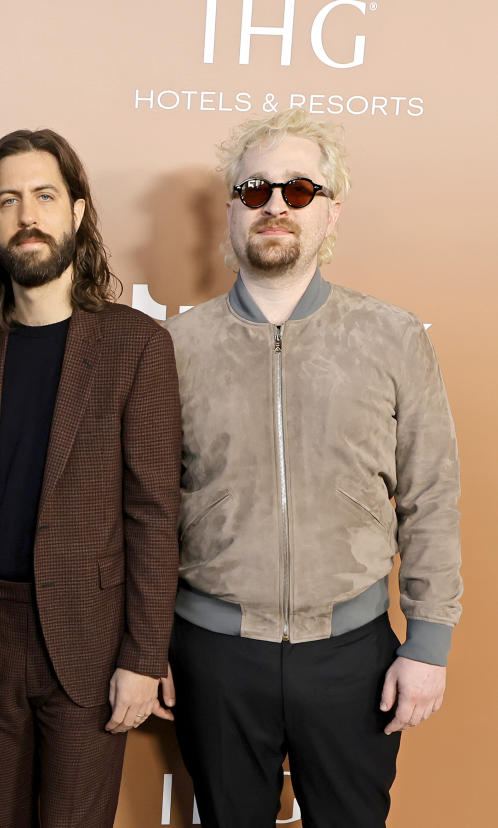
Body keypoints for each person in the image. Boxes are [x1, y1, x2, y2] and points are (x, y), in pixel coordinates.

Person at [164, 108, 462, 827]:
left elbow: (432, 496)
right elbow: (144, 510)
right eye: (255, 189)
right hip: (212, 656)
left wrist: (428, 641)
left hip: (353, 656)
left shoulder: (391, 337)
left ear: (331, 214)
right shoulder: (174, 347)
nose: (275, 205)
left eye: (299, 191)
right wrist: (145, 645)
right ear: (232, 213)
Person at [0, 129, 181, 827]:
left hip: (89, 640)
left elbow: (154, 513)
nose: (28, 215)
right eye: (9, 200)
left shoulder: (136, 345)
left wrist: (144, 657)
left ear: (76, 213)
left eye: (45, 196)